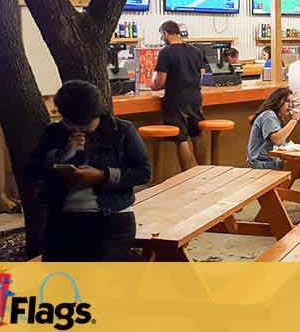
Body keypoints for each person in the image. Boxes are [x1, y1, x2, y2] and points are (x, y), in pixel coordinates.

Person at [27, 80, 150, 261]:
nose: (77, 130)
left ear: (98, 114)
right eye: (70, 124)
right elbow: (33, 171)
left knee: (99, 282)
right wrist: (63, 155)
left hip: (111, 217)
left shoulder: (122, 131)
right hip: (62, 218)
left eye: (84, 125)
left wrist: (102, 176)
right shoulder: (54, 133)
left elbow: (143, 172)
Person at [152, 20, 207, 171]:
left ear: (165, 34)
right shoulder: (195, 51)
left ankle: (187, 176)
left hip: (176, 100)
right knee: (196, 135)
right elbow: (201, 75)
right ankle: (202, 171)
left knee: (181, 138)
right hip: (195, 98)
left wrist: (153, 84)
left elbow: (160, 82)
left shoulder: (166, 52)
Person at [247, 88, 300, 169]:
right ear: (277, 101)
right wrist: (294, 120)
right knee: (299, 166)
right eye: (287, 101)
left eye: (292, 102)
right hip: (261, 163)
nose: (290, 105)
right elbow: (277, 140)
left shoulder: (277, 116)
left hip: (270, 161)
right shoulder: (268, 115)